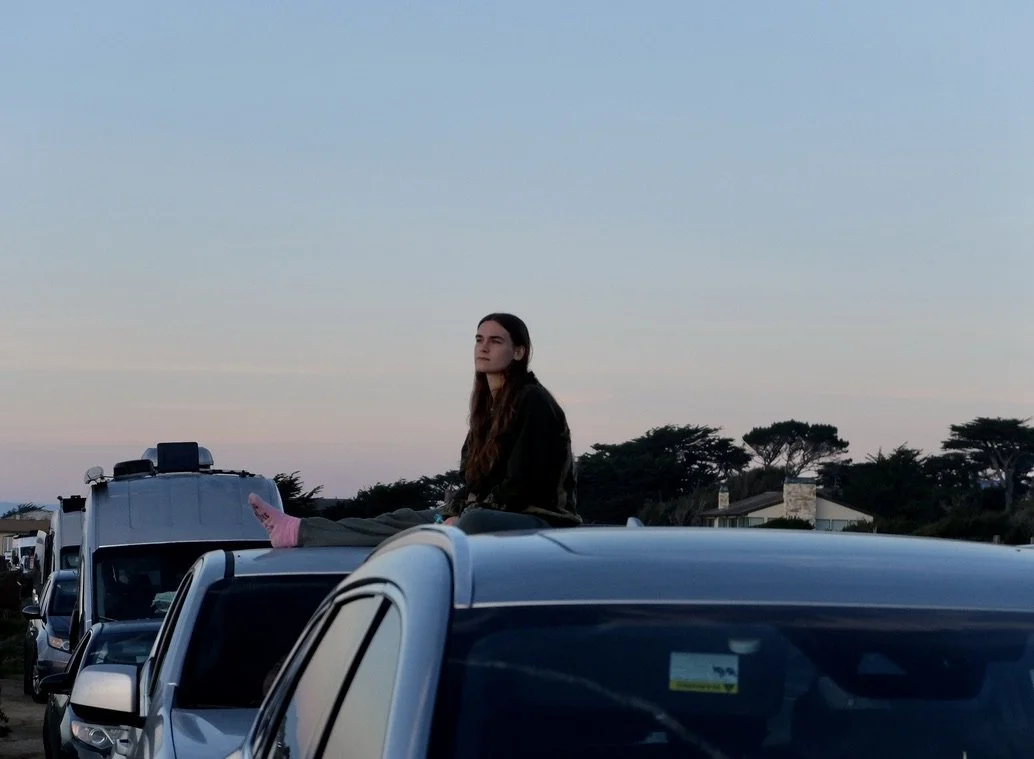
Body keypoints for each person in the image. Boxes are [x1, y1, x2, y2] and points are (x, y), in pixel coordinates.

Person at [248, 312, 580, 547]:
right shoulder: (488, 408)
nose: (483, 347)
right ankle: (298, 531)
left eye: (495, 341)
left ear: (519, 352)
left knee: (470, 523)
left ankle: (455, 525)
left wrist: (465, 514)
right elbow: (473, 479)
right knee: (410, 517)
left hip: (538, 520)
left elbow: (520, 486)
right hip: (492, 512)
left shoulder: (533, 401)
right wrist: (454, 511)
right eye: (479, 339)